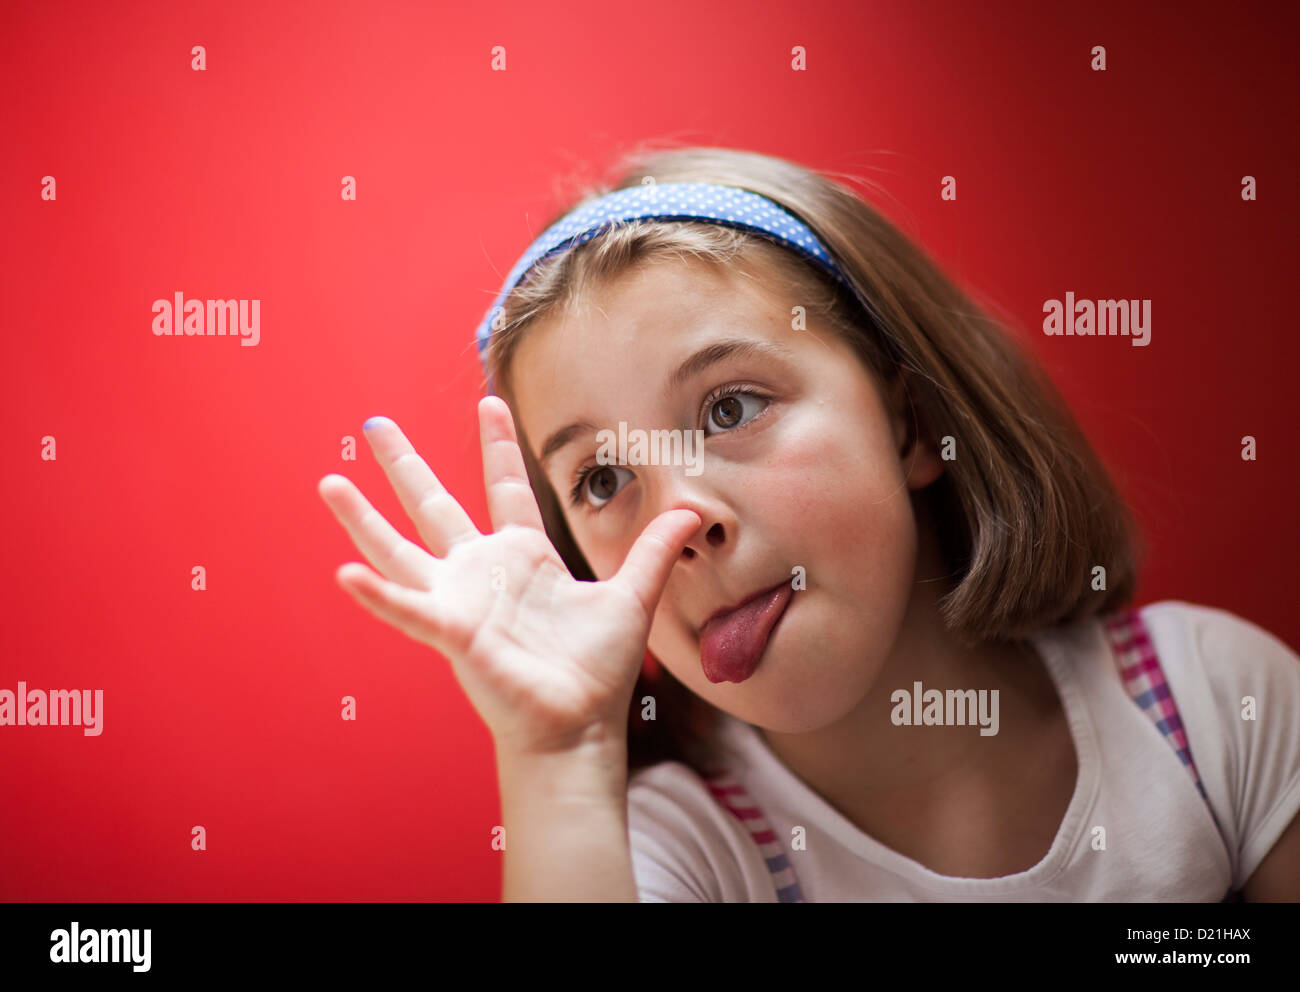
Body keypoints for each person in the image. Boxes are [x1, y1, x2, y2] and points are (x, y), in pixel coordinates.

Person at [317, 145, 1300, 901]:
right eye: (604, 476)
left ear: (909, 422)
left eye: (729, 409)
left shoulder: (1217, 707)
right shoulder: (686, 850)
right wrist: (557, 754)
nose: (681, 519)